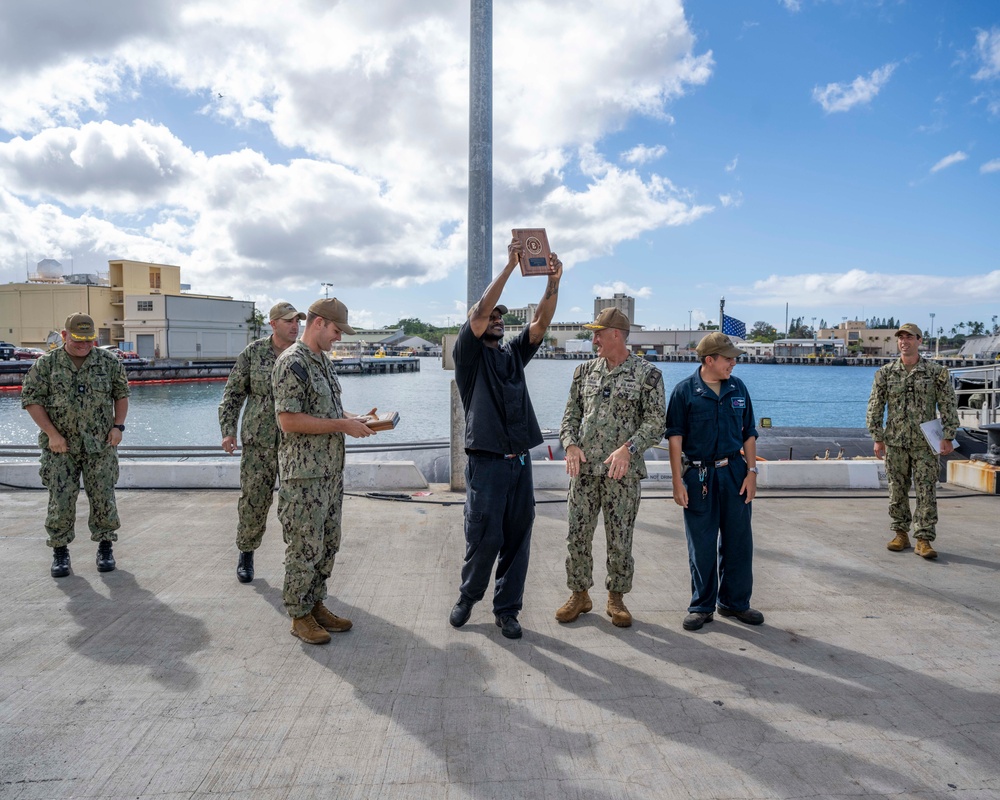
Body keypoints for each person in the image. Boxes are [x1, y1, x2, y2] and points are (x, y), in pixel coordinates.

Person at [448, 236, 563, 640]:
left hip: (519, 462)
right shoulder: (469, 354)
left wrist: (553, 281)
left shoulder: (511, 354)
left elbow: (541, 323)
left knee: (518, 534)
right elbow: (478, 311)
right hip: (487, 462)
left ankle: (507, 609)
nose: (497, 318)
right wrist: (511, 266)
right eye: (492, 316)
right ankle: (468, 595)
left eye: (501, 316)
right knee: (485, 535)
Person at [272, 297, 376, 645]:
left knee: (327, 543)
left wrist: (354, 419)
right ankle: (299, 615)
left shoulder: (322, 363)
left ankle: (316, 605)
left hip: (329, 474)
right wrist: (342, 426)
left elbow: (327, 410)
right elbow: (288, 420)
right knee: (304, 546)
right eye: (336, 330)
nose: (339, 338)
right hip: (304, 478)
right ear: (317, 323)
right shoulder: (292, 363)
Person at [556, 308, 666, 628]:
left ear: (616, 334)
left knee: (620, 539)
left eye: (598, 334)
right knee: (576, 535)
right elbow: (570, 417)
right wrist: (571, 445)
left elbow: (656, 423)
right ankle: (579, 594)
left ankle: (616, 598)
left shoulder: (648, 374)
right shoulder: (583, 372)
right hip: (585, 471)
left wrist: (628, 449)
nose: (594, 340)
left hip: (622, 474)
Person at [666, 331, 762, 631]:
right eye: (728, 358)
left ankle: (734, 603)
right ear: (710, 360)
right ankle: (702, 605)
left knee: (738, 542)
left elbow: (748, 432)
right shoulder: (684, 392)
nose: (733, 363)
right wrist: (677, 482)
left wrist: (751, 472)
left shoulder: (738, 388)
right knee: (702, 543)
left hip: (734, 472)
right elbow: (675, 439)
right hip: (699, 476)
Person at [21, 313, 130, 577]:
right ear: (64, 335)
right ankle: (60, 552)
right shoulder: (46, 364)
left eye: (89, 341)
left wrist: (118, 426)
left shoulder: (109, 362)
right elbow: (31, 400)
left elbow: (121, 394)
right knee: (60, 499)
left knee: (104, 497)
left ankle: (105, 547)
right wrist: (52, 435)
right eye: (78, 340)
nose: (83, 346)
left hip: (100, 445)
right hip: (61, 448)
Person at [219, 301, 305, 583]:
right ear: (274, 324)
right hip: (259, 442)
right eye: (289, 321)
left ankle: (297, 562)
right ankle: (246, 552)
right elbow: (233, 394)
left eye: (298, 321)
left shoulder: (303, 355)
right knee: (254, 501)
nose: (295, 326)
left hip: (296, 443)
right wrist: (228, 431)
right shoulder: (254, 353)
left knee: (296, 504)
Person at [866, 322, 959, 560]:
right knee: (896, 489)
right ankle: (900, 533)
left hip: (925, 444)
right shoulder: (886, 373)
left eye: (909, 337)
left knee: (927, 490)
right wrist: (878, 438)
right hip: (895, 442)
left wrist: (949, 435)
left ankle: (924, 538)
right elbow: (875, 406)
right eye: (901, 338)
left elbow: (947, 404)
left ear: (919, 341)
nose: (904, 341)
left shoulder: (936, 372)